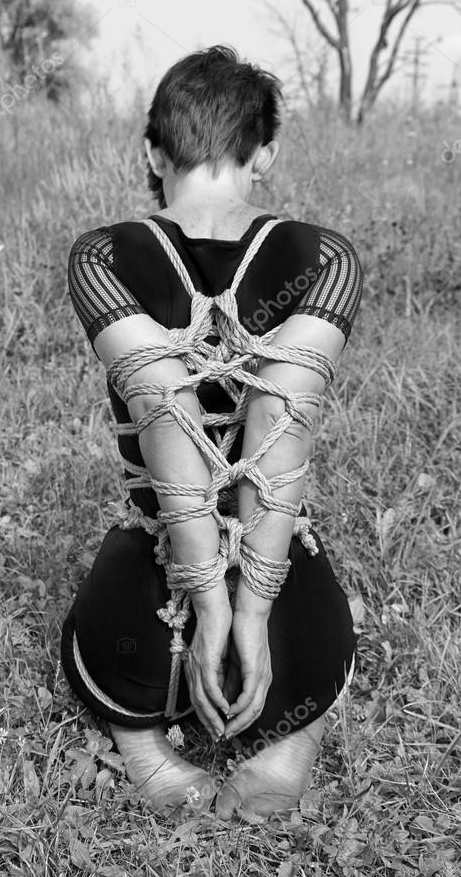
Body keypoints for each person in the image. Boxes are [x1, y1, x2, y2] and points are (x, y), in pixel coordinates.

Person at [61, 45, 363, 819]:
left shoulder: (102, 254)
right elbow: (277, 422)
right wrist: (249, 610)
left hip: (149, 618)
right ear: (264, 153)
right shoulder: (326, 256)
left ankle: (147, 747)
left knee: (129, 553)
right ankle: (285, 740)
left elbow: (168, 411)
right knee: (312, 575)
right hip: (279, 607)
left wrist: (207, 607)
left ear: (152, 151)